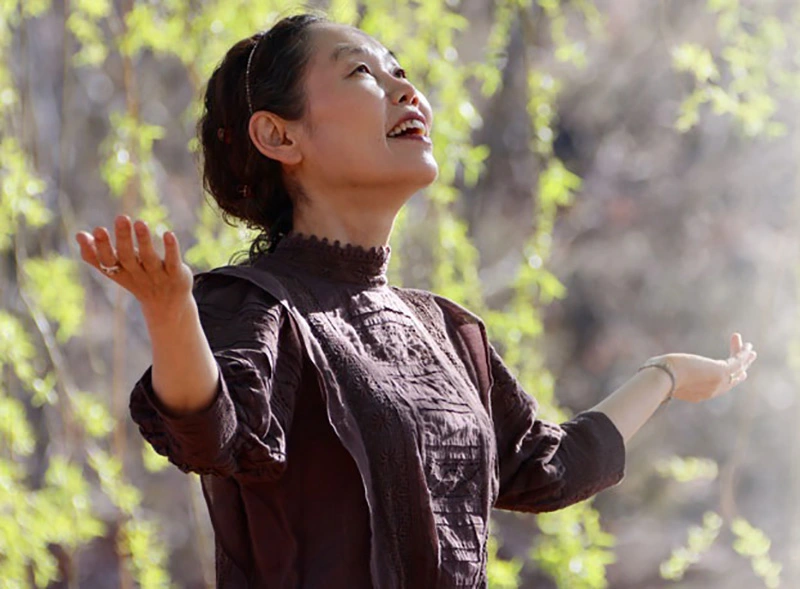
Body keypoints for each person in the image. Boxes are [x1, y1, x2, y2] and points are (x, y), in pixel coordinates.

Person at [74, 12, 758, 589]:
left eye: (400, 68)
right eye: (363, 73)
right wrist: (170, 311)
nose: (406, 87)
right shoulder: (257, 305)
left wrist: (664, 373)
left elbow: (549, 468)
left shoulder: (448, 331)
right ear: (280, 136)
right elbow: (212, 432)